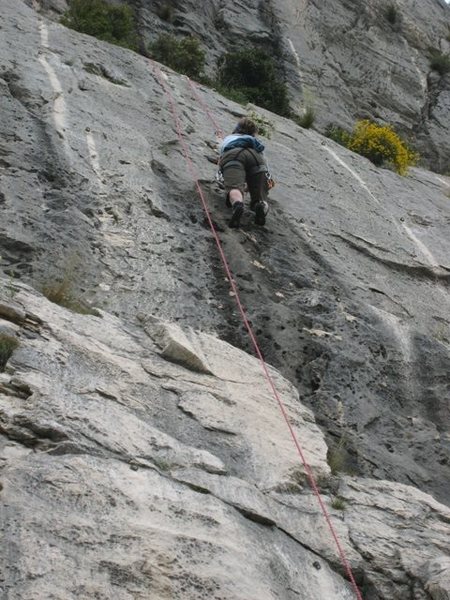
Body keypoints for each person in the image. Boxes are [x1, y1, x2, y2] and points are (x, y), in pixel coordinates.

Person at [218, 118, 271, 228]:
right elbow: (264, 164)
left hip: (234, 155)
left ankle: (237, 204)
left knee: (234, 187)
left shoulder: (229, 138)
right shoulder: (255, 143)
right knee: (260, 193)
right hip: (256, 158)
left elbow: (221, 154)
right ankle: (259, 204)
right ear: (253, 133)